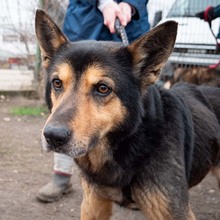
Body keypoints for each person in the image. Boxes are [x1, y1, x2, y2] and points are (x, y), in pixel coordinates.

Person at [37, 0, 150, 203]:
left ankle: (137, 186)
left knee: (131, 112)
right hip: (85, 23)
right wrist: (104, 2)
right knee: (66, 110)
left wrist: (130, 5)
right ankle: (61, 176)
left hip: (129, 26)